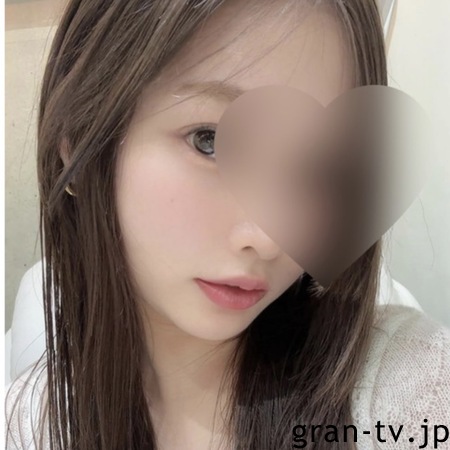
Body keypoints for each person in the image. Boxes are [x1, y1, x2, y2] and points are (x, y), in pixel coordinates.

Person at [5, 0, 450, 449]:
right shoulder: (32, 427)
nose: (270, 238)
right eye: (210, 141)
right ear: (78, 141)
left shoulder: (410, 386)